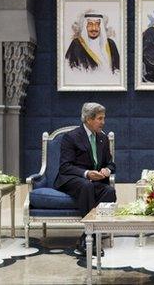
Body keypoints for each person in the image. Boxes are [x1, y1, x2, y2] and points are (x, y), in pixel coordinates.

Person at [54, 102, 117, 256]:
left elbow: (111, 163)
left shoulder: (102, 138)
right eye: (100, 119)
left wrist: (107, 170)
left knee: (109, 191)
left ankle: (88, 237)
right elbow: (65, 167)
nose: (103, 122)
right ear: (88, 119)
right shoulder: (71, 137)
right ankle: (92, 237)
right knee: (86, 185)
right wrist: (87, 173)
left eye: (104, 118)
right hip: (71, 179)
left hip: (93, 181)